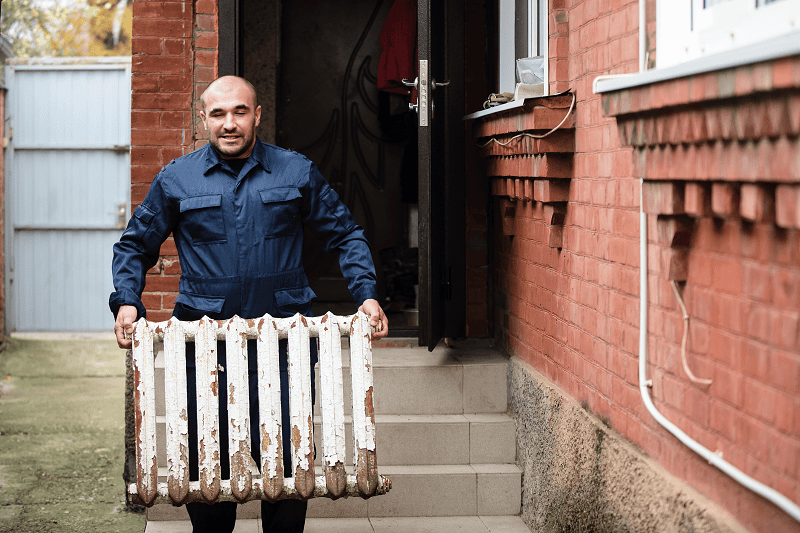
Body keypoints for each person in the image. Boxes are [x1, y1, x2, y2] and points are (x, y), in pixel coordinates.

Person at [110, 75, 389, 533]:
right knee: (208, 467)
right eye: (217, 113)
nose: (229, 123)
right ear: (202, 119)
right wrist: (127, 302)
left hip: (283, 348)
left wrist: (367, 293)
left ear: (257, 115)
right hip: (203, 353)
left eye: (240, 111)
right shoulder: (176, 179)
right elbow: (134, 246)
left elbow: (345, 234)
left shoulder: (294, 171)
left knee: (287, 466)